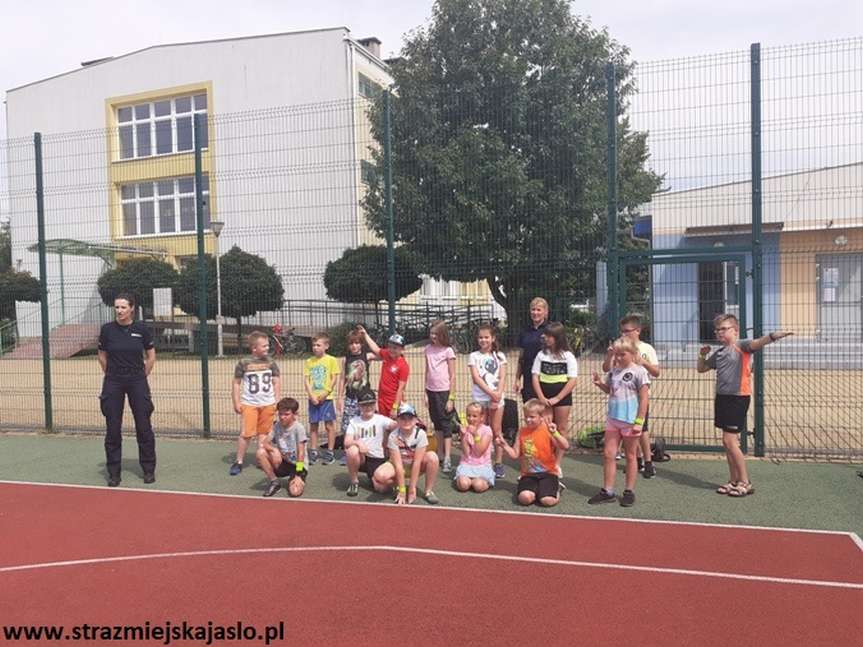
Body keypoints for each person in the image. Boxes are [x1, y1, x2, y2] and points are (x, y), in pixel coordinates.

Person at [697, 314, 793, 497]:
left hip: (738, 398)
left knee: (729, 441)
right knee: (727, 443)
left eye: (724, 329)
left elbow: (758, 343)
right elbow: (701, 369)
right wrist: (702, 355)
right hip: (722, 398)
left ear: (735, 330)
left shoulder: (741, 346)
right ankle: (732, 481)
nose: (719, 333)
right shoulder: (719, 353)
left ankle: (745, 482)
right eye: (717, 330)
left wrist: (774, 336)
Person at [97, 293, 157, 487]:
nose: (120, 311)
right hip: (113, 380)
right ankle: (114, 473)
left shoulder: (141, 329)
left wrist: (141, 375)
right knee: (113, 427)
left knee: (143, 426)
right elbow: (101, 355)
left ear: (132, 308)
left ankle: (148, 470)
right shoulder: (107, 330)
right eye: (117, 307)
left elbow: (151, 355)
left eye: (123, 307)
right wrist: (112, 374)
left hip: (137, 380)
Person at [589, 337, 650, 507]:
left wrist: (639, 421)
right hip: (613, 420)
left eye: (622, 354)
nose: (618, 358)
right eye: (616, 354)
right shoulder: (614, 371)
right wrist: (599, 384)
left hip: (630, 421)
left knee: (631, 456)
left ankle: (629, 491)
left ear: (633, 354)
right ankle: (607, 491)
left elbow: (644, 399)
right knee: (609, 455)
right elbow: (611, 390)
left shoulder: (639, 372)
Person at [602, 314, 661, 478]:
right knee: (628, 430)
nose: (624, 335)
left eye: (627, 331)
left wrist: (644, 363)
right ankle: (638, 459)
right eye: (622, 331)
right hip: (620, 398)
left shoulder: (647, 348)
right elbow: (607, 369)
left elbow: (656, 372)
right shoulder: (619, 347)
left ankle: (648, 463)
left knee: (642, 429)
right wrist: (609, 355)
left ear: (638, 331)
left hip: (639, 397)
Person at [495, 398, 570, 507]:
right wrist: (504, 445)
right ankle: (536, 490)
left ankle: (555, 488)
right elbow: (515, 454)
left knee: (547, 501)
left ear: (541, 417)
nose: (528, 420)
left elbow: (565, 446)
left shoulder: (548, 430)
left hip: (548, 474)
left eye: (532, 417)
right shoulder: (522, 432)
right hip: (528, 475)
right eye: (526, 416)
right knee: (525, 499)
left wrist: (555, 433)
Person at [230, 331, 281, 475]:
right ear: (254, 348)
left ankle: (261, 458)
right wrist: (236, 401)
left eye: (267, 346)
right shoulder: (243, 363)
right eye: (264, 346)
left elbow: (276, 382)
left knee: (264, 433)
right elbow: (236, 384)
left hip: (268, 403)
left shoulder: (271, 362)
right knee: (246, 434)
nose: (267, 348)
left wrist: (277, 401)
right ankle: (238, 461)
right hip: (249, 404)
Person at [531, 322, 578, 476]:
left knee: (560, 429)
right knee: (543, 429)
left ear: (557, 338)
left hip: (562, 399)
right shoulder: (541, 354)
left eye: (549, 336)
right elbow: (535, 377)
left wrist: (558, 398)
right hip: (544, 399)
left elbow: (572, 381)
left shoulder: (568, 356)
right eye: (546, 335)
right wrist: (541, 397)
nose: (545, 338)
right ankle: (543, 461)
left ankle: (556, 464)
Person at [468, 324, 508, 479]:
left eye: (486, 337)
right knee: (479, 430)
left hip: (497, 399)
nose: (483, 340)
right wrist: (491, 393)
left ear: (493, 338)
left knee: (496, 430)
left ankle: (498, 463)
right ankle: (481, 462)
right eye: (480, 337)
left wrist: (497, 395)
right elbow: (476, 378)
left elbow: (503, 376)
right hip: (480, 398)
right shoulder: (474, 356)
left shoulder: (500, 356)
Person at [343, 388, 399, 497]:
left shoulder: (381, 419)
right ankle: (354, 482)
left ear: (375, 404)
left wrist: (403, 421)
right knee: (352, 450)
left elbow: (395, 425)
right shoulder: (354, 422)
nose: (368, 407)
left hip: (378, 459)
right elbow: (347, 441)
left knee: (381, 489)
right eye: (364, 405)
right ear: (359, 406)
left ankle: (384, 479)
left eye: (371, 404)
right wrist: (358, 443)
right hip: (363, 458)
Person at [382, 403, 440, 505]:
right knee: (380, 476)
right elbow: (398, 465)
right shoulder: (393, 436)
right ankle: (397, 486)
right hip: (400, 466)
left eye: (410, 418)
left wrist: (412, 488)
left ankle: (428, 491)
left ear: (415, 420)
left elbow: (417, 462)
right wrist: (403, 490)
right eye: (403, 418)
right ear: (398, 420)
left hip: (414, 464)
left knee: (433, 457)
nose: (406, 421)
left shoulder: (421, 434)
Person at [337, 329, 374, 465]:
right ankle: (348, 452)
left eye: (357, 343)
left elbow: (381, 353)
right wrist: (339, 398)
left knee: (365, 424)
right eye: (351, 343)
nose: (354, 346)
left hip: (364, 399)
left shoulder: (367, 356)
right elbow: (342, 379)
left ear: (361, 344)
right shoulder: (345, 359)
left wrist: (366, 335)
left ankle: (365, 452)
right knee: (347, 425)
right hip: (350, 398)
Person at [257, 397, 308, 497]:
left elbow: (301, 453)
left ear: (294, 414)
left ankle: (296, 479)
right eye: (280, 414)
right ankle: (275, 482)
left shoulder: (299, 428)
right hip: (282, 462)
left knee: (295, 492)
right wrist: (273, 450)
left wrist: (298, 473)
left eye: (286, 414)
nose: (282, 417)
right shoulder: (277, 426)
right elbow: (264, 443)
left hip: (297, 465)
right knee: (260, 452)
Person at [424, 320, 457, 474]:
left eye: (436, 334)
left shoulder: (448, 351)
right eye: (431, 334)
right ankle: (440, 454)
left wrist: (451, 397)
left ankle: (448, 457)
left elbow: (452, 375)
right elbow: (427, 371)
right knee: (436, 422)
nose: (433, 337)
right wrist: (425, 392)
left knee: (446, 424)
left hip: (444, 391)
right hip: (431, 391)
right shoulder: (427, 349)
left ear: (442, 335)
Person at [356, 325, 410, 418]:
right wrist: (365, 335)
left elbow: (401, 389)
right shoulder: (387, 355)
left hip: (393, 400)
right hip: (382, 398)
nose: (392, 350)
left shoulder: (403, 366)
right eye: (390, 347)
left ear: (402, 349)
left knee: (395, 423)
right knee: (384, 423)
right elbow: (376, 349)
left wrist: (395, 407)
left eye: (395, 348)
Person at [304, 333, 341, 465]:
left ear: (326, 346)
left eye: (318, 345)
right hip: (313, 399)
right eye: (313, 345)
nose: (315, 348)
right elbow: (307, 380)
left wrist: (326, 392)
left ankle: (330, 452)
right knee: (313, 425)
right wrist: (311, 395)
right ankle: (313, 451)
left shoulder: (331, 360)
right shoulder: (309, 362)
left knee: (329, 425)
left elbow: (334, 378)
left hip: (327, 399)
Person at [513, 297, 549, 402]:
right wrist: (517, 379)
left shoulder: (550, 329)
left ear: (545, 312)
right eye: (533, 309)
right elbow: (521, 357)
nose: (535, 312)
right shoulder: (524, 331)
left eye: (539, 310)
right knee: (530, 408)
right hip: (528, 374)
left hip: (545, 375)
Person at [454, 402, 495, 493]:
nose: (471, 419)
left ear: (482, 417)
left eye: (474, 416)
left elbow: (478, 452)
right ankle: (467, 480)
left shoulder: (487, 430)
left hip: (483, 465)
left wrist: (475, 434)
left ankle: (484, 481)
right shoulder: (466, 429)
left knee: (478, 486)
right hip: (467, 464)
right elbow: (466, 453)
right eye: (468, 415)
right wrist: (463, 436)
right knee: (463, 485)